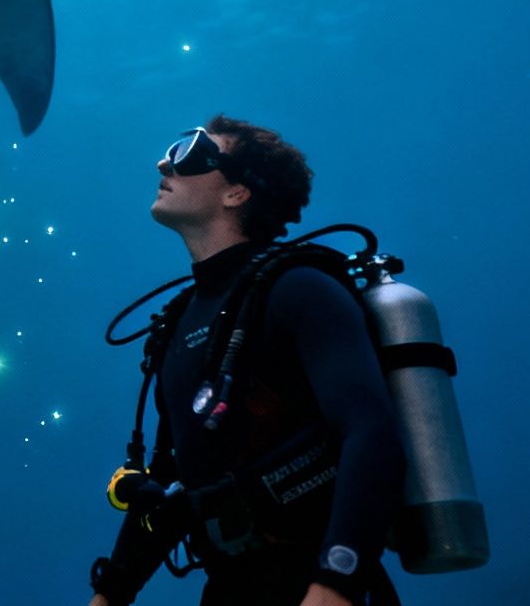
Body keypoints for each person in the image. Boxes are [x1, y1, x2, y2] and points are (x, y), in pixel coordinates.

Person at [87, 116, 407, 606]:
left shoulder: (300, 288)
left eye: (192, 151)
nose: (163, 161)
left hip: (315, 581)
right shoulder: (175, 324)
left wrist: (337, 582)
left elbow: (371, 431)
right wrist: (110, 595)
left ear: (236, 193)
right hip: (228, 589)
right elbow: (174, 479)